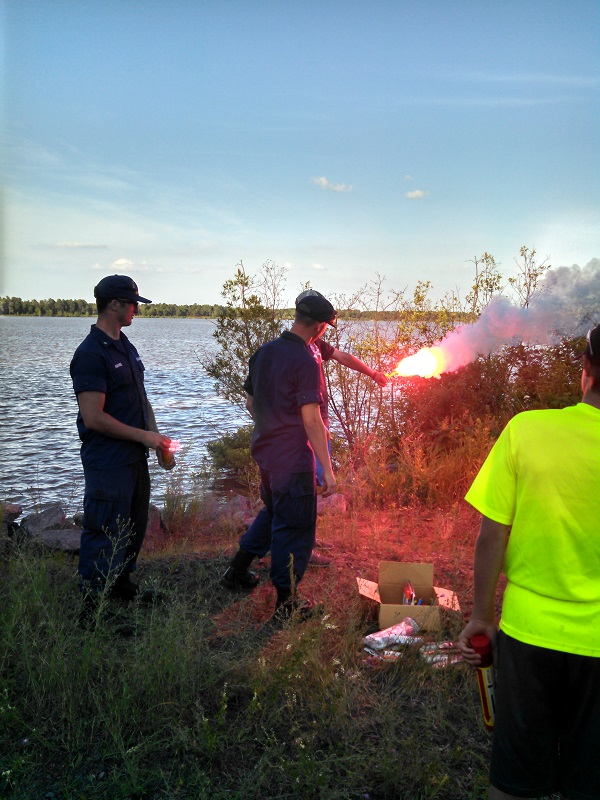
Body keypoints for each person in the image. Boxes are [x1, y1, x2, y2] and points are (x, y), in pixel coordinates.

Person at [457, 324, 600, 800]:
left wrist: (480, 615)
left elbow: (491, 535)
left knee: (516, 781)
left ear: (586, 373)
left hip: (527, 636)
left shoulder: (527, 430)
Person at [221, 291, 338, 620]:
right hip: (292, 460)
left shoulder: (265, 352)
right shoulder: (304, 359)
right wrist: (327, 470)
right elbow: (312, 419)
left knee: (274, 512)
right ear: (318, 327)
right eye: (326, 327)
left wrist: (272, 425)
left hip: (266, 453)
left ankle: (236, 572)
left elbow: (249, 403)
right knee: (295, 526)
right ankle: (287, 606)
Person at [70, 274, 175, 603]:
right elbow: (93, 416)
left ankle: (121, 590)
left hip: (134, 458)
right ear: (113, 304)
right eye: (132, 304)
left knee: (133, 527)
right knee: (105, 531)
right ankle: (94, 610)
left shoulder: (125, 346)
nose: (136, 311)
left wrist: (157, 440)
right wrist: (145, 436)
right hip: (107, 460)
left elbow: (140, 398)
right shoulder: (90, 354)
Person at [296, 290, 388, 566]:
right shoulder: (295, 351)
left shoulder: (316, 346)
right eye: (325, 326)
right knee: (304, 487)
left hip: (320, 425)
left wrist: (372, 373)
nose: (325, 331)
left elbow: (343, 356)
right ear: (318, 324)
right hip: (307, 429)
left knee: (313, 487)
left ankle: (307, 538)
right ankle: (301, 548)